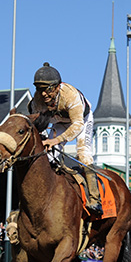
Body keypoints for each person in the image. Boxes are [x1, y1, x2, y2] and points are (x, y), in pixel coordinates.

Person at [28, 62, 102, 215]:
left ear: (57, 86)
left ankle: (95, 200)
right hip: (59, 122)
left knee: (83, 154)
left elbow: (77, 126)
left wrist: (55, 140)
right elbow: (36, 124)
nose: (43, 95)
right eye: (39, 90)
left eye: (47, 90)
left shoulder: (71, 96)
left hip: (81, 120)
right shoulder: (36, 101)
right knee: (49, 155)